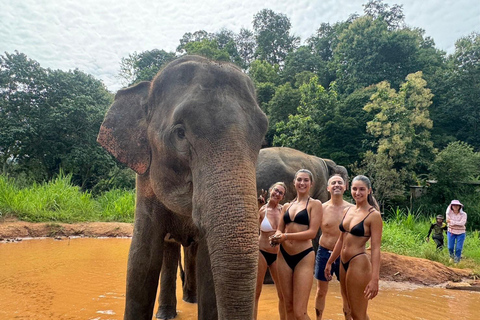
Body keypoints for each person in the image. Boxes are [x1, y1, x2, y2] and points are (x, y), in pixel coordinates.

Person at [324, 175, 382, 320]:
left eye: (362, 189)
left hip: (358, 263)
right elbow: (341, 239)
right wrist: (330, 261)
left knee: (358, 314)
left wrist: (375, 279)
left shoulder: (373, 216)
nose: (358, 193)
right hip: (343, 263)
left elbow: (375, 249)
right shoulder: (347, 210)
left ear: (369, 191)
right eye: (355, 189)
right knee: (347, 310)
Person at [269, 169, 322, 320]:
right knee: (288, 306)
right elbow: (280, 228)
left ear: (311, 184)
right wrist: (276, 236)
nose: (302, 183)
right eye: (299, 180)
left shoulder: (315, 204)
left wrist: (285, 236)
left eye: (306, 180)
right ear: (294, 183)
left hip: (303, 256)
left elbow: (312, 233)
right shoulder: (286, 206)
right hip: (284, 256)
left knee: (300, 312)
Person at [314, 174, 353, 320]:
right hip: (324, 252)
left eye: (340, 183)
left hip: (345, 254)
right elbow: (309, 228)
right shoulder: (321, 208)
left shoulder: (352, 209)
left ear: (345, 187)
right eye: (333, 183)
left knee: (346, 292)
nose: (337, 185)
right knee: (321, 291)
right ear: (328, 188)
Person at [255, 182, 287, 320]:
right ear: (270, 190)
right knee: (256, 293)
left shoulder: (284, 211)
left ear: (283, 197)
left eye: (281, 193)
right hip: (261, 251)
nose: (277, 194)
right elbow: (251, 228)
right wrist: (256, 207)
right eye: (276, 190)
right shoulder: (262, 210)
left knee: (283, 294)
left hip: (278, 255)